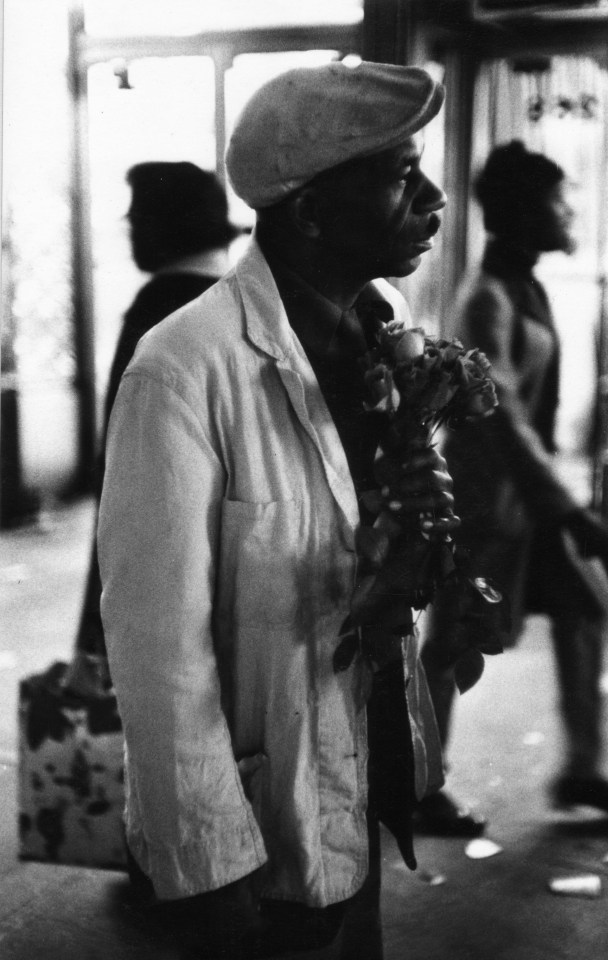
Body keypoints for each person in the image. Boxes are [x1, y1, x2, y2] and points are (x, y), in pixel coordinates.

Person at [98, 61, 456, 959]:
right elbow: (156, 652)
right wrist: (208, 862)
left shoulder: (385, 325)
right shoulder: (183, 369)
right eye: (400, 176)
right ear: (309, 209)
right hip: (259, 803)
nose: (434, 198)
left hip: (361, 749)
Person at [419, 140, 608, 834]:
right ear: (519, 214)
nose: (568, 212)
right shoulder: (486, 299)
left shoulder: (520, 284)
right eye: (557, 201)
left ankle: (582, 769)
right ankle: (418, 785)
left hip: (523, 506)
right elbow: (502, 415)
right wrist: (569, 510)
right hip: (481, 503)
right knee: (449, 642)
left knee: (583, 609)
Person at [69, 162, 239, 679]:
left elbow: (119, 477)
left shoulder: (158, 310)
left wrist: (92, 632)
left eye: (138, 216)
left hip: (163, 571)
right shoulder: (245, 302)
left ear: (166, 225)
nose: (130, 229)